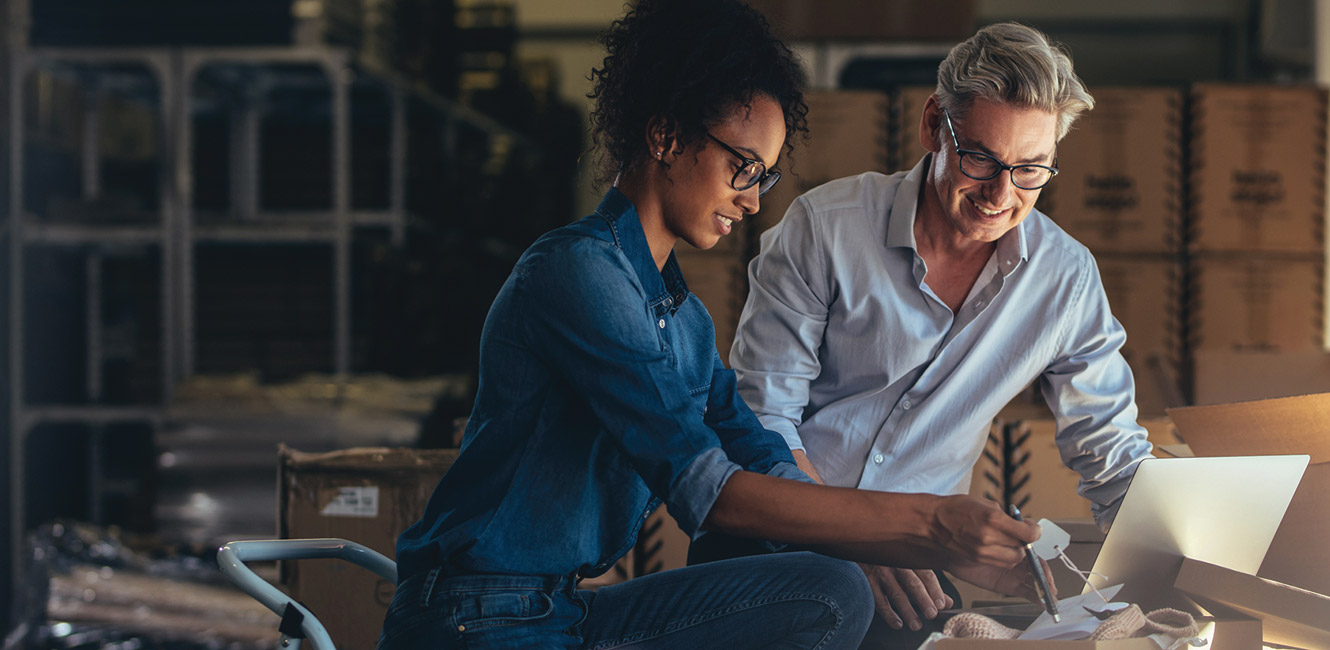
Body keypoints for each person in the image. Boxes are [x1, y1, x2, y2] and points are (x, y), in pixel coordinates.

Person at [378, 4, 1047, 650]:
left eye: (766, 175)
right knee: (804, 567)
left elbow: (761, 455)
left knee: (831, 590)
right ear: (666, 137)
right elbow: (709, 493)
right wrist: (932, 525)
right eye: (743, 167)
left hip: (563, 612)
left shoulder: (682, 319)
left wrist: (901, 548)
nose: (754, 198)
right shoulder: (578, 274)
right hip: (475, 620)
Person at [716, 21, 1155, 645]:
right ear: (932, 127)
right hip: (775, 538)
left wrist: (1178, 559)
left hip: (914, 570)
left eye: (1031, 169)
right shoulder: (825, 229)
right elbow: (763, 421)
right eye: (980, 158)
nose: (1001, 195)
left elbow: (1110, 452)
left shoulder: (1066, 279)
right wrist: (849, 536)